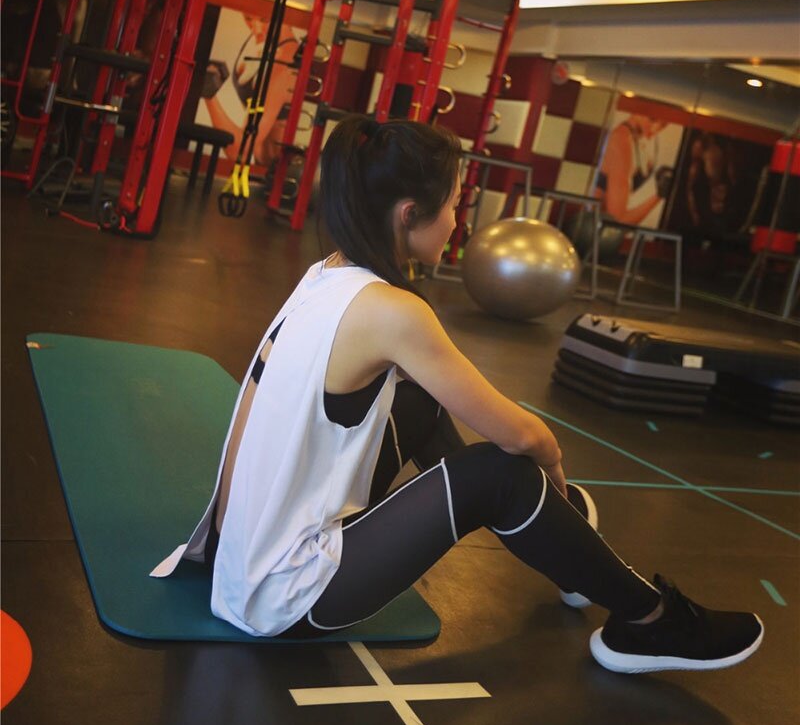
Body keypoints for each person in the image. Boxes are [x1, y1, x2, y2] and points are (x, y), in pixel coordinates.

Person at [152, 115, 763, 674]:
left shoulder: (326, 274)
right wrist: (554, 470)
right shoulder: (393, 311)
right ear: (409, 214)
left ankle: (565, 549)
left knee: (420, 404)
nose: (458, 222)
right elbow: (522, 434)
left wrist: (229, 546)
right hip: (285, 594)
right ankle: (652, 621)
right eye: (453, 205)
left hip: (242, 559)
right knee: (504, 474)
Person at [202, 14, 298, 166]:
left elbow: (240, 150)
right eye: (248, 18)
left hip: (275, 173)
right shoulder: (264, 45)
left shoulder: (283, 66)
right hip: (257, 167)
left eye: (264, 19)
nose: (256, 30)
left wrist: (209, 94)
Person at [595, 113, 669, 226]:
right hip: (592, 227)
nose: (655, 128)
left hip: (602, 228)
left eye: (664, 124)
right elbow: (617, 221)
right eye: (652, 119)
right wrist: (658, 196)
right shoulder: (621, 140)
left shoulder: (639, 140)